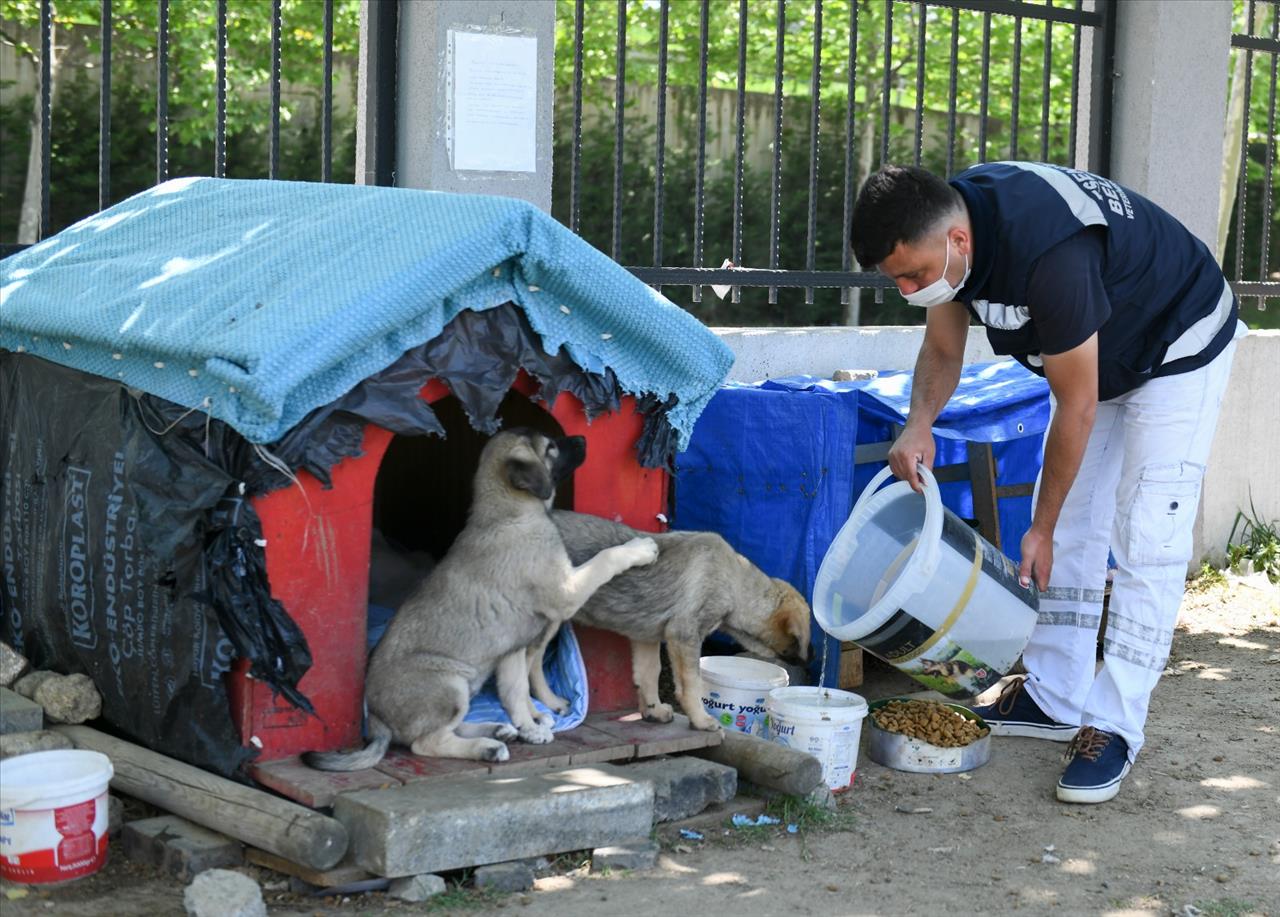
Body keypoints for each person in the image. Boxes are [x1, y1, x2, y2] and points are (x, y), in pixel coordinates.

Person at [849, 162, 1244, 804]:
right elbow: (945, 352)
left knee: (1147, 532)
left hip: (1178, 342)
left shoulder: (1050, 251)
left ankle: (1112, 727)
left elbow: (1076, 403)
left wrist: (1042, 527)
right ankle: (1053, 693)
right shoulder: (949, 233)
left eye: (913, 275)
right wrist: (919, 423)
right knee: (1070, 522)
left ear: (959, 241)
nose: (907, 289)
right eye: (895, 279)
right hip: (1100, 355)